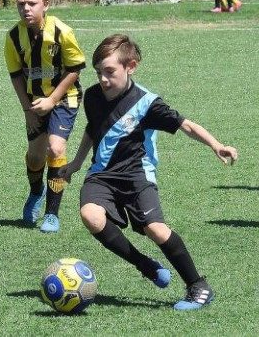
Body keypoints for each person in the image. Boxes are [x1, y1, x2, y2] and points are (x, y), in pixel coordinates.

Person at [60, 34, 238, 311]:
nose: (103, 79)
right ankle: (147, 266)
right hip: (102, 175)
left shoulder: (147, 103)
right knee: (90, 216)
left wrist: (216, 145)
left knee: (156, 229)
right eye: (98, 73)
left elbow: (186, 125)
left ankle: (197, 285)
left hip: (136, 176)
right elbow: (93, 129)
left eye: (110, 72)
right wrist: (76, 163)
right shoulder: (94, 96)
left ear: (131, 66)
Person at [4, 0, 86, 233]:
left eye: (32, 3)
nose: (26, 8)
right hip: (34, 102)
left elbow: (74, 69)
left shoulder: (62, 32)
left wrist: (52, 99)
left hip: (64, 98)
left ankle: (52, 213)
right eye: (21, 4)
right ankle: (36, 191)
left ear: (46, 4)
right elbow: (16, 75)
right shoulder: (14, 36)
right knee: (35, 156)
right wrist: (27, 110)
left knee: (55, 147)